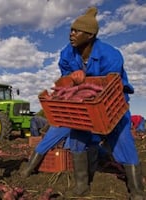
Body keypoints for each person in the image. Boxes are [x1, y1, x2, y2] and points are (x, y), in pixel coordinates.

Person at [57, 7, 144, 199]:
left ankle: (137, 190)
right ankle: (82, 185)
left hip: (112, 103)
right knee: (77, 137)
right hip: (83, 106)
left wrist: (84, 78)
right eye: (71, 30)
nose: (71, 34)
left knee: (123, 140)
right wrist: (72, 76)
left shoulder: (111, 55)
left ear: (89, 35)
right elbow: (64, 73)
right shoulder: (67, 53)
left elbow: (109, 84)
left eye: (76, 31)